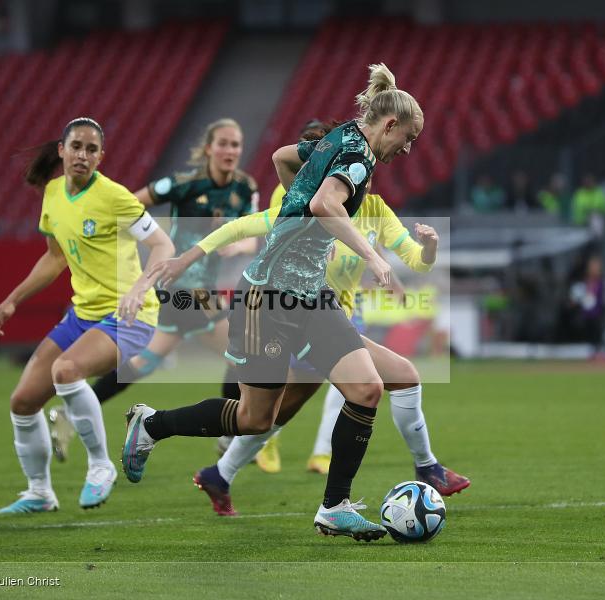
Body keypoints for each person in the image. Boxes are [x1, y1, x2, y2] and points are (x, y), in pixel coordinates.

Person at [122, 63, 424, 541]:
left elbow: (285, 157)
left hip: (312, 297)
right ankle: (152, 424)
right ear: (389, 124)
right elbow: (327, 205)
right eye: (406, 139)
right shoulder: (358, 157)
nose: (405, 149)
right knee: (254, 417)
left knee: (367, 388)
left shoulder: (337, 138)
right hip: (268, 297)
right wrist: (374, 258)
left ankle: (335, 506)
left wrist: (294, 198)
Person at [154, 169, 471, 517]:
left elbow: (415, 259)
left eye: (366, 175)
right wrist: (189, 257)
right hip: (306, 321)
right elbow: (243, 227)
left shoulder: (376, 211)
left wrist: (429, 248)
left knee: (271, 415)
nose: (363, 183)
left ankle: (219, 472)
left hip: (338, 322)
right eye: (352, 176)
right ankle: (420, 471)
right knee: (394, 379)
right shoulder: (307, 208)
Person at [0, 117, 174, 514]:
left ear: (101, 157)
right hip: (82, 315)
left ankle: (101, 466)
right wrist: (12, 300)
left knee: (67, 371)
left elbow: (162, 244)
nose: (82, 155)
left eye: (91, 149)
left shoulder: (115, 197)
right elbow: (54, 259)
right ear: (61, 150)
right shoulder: (53, 194)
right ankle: (39, 491)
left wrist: (141, 288)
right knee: (22, 402)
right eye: (76, 146)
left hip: (129, 317)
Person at [48, 118, 258, 462]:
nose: (230, 151)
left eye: (235, 144)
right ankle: (229, 436)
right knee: (241, 349)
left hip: (194, 292)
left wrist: (239, 246)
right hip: (183, 289)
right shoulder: (183, 183)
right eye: (223, 143)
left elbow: (250, 233)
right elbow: (131, 204)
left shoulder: (245, 188)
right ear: (208, 148)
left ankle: (71, 413)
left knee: (142, 362)